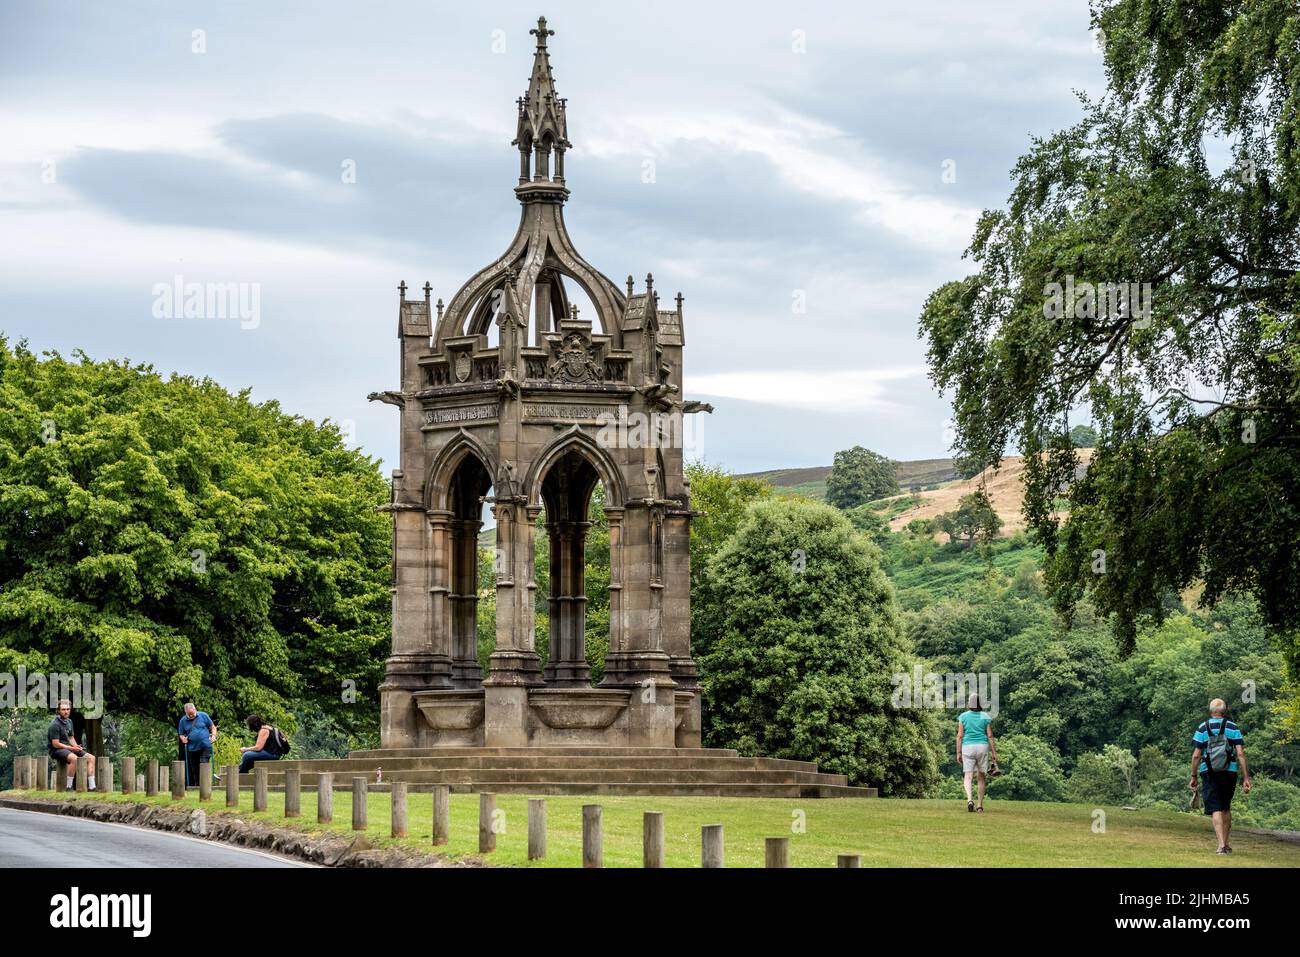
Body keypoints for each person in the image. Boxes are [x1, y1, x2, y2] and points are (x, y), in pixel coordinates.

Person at [1189, 698, 1251, 854]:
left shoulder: (1203, 728)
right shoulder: (1233, 727)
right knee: (1225, 806)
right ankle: (1227, 844)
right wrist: (1246, 778)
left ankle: (1221, 845)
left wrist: (1194, 776)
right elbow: (1240, 754)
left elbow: (1196, 755)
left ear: (1211, 711)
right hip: (1229, 771)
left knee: (1215, 807)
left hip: (1208, 772)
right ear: (1224, 711)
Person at [956, 693, 998, 812]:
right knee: (981, 777)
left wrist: (958, 752)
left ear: (969, 703)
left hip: (968, 747)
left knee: (968, 776)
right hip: (982, 747)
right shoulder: (985, 716)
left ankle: (970, 800)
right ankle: (979, 805)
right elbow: (990, 735)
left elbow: (959, 736)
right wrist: (994, 753)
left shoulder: (963, 717)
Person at [47, 699, 95, 791]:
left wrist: (76, 747)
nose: (66, 712)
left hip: (69, 748)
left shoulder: (69, 721)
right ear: (58, 711)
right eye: (63, 709)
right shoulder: (54, 725)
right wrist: (71, 748)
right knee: (75, 759)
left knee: (91, 758)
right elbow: (56, 744)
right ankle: (69, 787)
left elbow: (71, 738)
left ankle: (92, 787)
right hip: (56, 750)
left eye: (68, 709)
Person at [177, 702, 217, 788]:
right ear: (185, 713)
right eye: (189, 715)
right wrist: (183, 739)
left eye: (193, 714)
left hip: (205, 746)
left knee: (203, 764)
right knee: (195, 769)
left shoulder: (203, 715)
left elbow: (213, 727)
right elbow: (181, 734)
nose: (191, 716)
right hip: (192, 748)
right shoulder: (183, 720)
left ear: (195, 710)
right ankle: (199, 787)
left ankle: (206, 786)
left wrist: (213, 736)